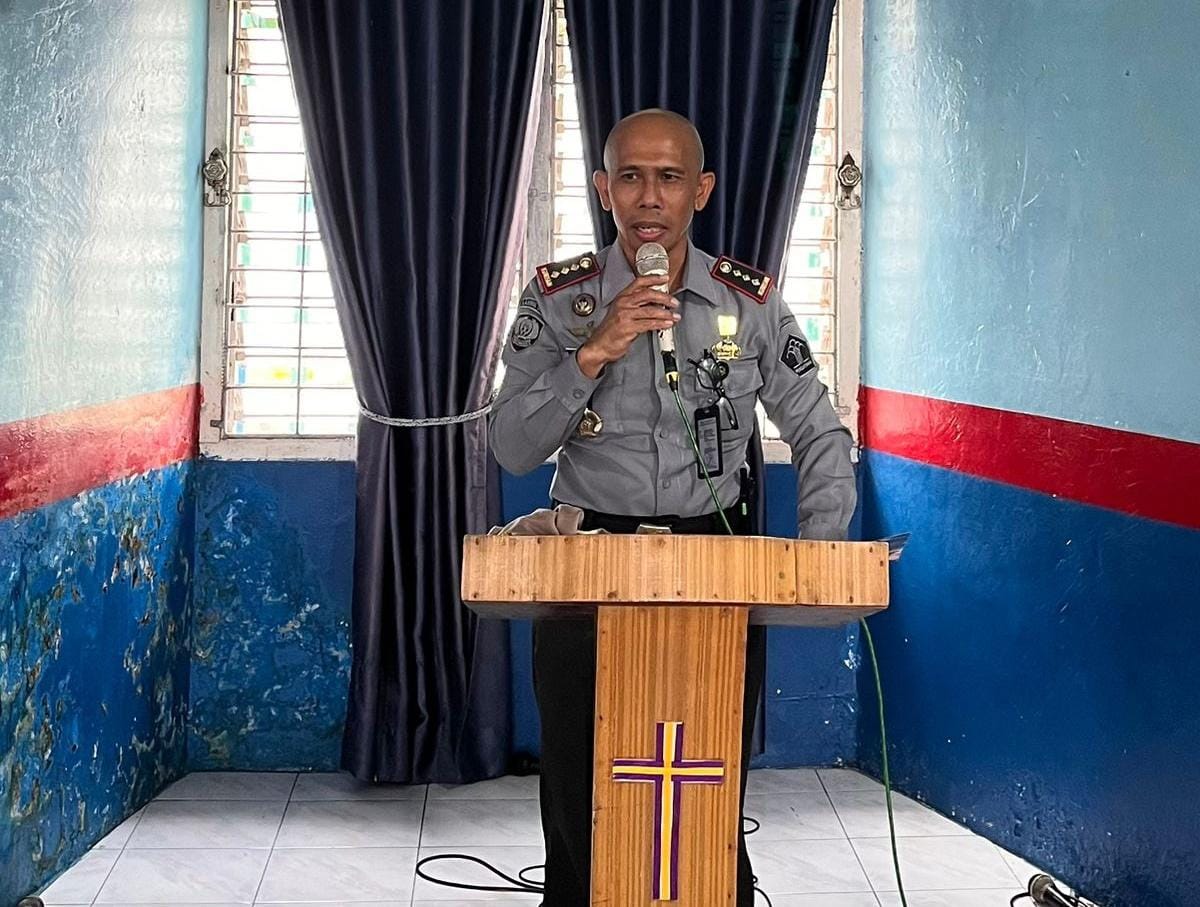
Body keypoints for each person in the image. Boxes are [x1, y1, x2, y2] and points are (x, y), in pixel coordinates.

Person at [490, 108, 856, 907]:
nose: (649, 197)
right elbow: (511, 445)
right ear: (604, 189)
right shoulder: (560, 300)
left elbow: (818, 428)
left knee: (707, 778)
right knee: (580, 785)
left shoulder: (747, 303)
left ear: (702, 190)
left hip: (711, 564)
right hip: (587, 564)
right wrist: (594, 351)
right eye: (630, 177)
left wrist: (823, 552)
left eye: (669, 178)